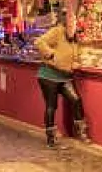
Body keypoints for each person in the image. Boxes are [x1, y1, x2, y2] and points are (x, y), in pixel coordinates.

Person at [36, 10, 91, 148]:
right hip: (49, 75)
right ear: (65, 23)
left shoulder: (74, 38)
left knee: (76, 100)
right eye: (71, 22)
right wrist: (51, 54)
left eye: (75, 22)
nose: (73, 24)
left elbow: (74, 54)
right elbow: (40, 42)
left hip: (65, 77)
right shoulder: (57, 32)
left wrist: (76, 62)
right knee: (51, 106)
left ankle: (81, 132)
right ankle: (51, 139)